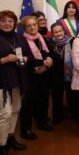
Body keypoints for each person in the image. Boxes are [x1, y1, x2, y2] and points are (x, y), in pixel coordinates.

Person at [0, 10, 31, 153]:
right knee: (4, 114)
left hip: (18, 79)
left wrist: (24, 59)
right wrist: (4, 59)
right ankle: (2, 143)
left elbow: (27, 55)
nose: (7, 24)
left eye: (10, 21)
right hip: (3, 81)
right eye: (3, 21)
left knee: (15, 110)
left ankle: (11, 138)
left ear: (15, 23)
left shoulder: (20, 37)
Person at [20, 16, 54, 140]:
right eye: (29, 25)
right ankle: (26, 129)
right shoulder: (21, 40)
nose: (33, 27)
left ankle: (42, 121)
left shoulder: (42, 38)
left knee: (43, 99)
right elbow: (22, 60)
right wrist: (40, 63)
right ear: (24, 28)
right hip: (30, 75)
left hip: (44, 74)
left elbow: (49, 53)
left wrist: (50, 59)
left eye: (34, 24)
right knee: (28, 103)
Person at [48, 23, 74, 125]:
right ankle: (57, 117)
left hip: (70, 73)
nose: (58, 33)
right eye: (56, 32)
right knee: (56, 97)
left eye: (60, 31)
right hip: (56, 74)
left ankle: (74, 114)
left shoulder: (72, 41)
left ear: (64, 31)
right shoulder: (49, 43)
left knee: (72, 95)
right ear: (52, 34)